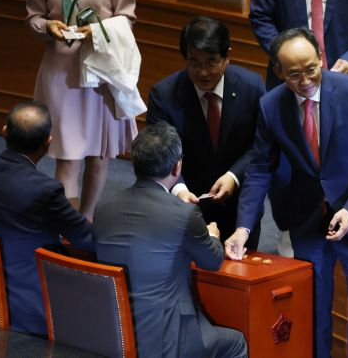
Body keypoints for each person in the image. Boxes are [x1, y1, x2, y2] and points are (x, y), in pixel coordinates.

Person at [225, 28, 348, 358]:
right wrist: (243, 227)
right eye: (294, 74)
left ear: (321, 59)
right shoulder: (270, 106)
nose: (305, 80)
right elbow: (260, 168)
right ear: (278, 72)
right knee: (313, 313)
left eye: (311, 69)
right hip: (309, 219)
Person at [92, 122, 247, 358]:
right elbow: (213, 262)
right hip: (167, 336)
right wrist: (212, 235)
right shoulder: (184, 213)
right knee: (237, 343)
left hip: (112, 330)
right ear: (177, 167)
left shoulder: (103, 208)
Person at [26, 0, 138, 220]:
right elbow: (33, 17)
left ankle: (85, 222)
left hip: (100, 72)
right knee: (67, 158)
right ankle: (68, 229)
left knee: (99, 157)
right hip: (60, 73)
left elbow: (127, 17)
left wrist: (97, 32)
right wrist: (46, 26)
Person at [146, 16, 266, 248]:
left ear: (227, 55)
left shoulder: (252, 87)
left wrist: (234, 176)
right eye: (194, 63)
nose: (203, 72)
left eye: (211, 63)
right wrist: (179, 191)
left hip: (240, 206)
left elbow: (261, 144)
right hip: (184, 206)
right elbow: (160, 155)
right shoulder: (164, 95)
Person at [0, 101, 94, 336]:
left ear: (5, 133)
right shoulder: (46, 190)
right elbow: (86, 239)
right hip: (28, 302)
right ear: (48, 143)